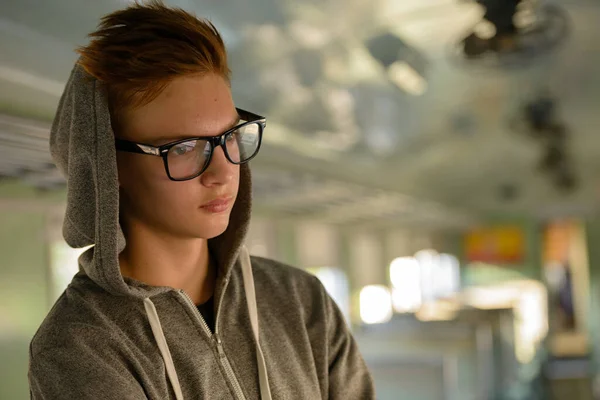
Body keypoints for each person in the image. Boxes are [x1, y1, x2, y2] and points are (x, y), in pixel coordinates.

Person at [28, 1, 375, 399]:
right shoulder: (82, 345)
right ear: (109, 165)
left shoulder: (299, 300)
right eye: (183, 147)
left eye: (229, 137)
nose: (223, 172)